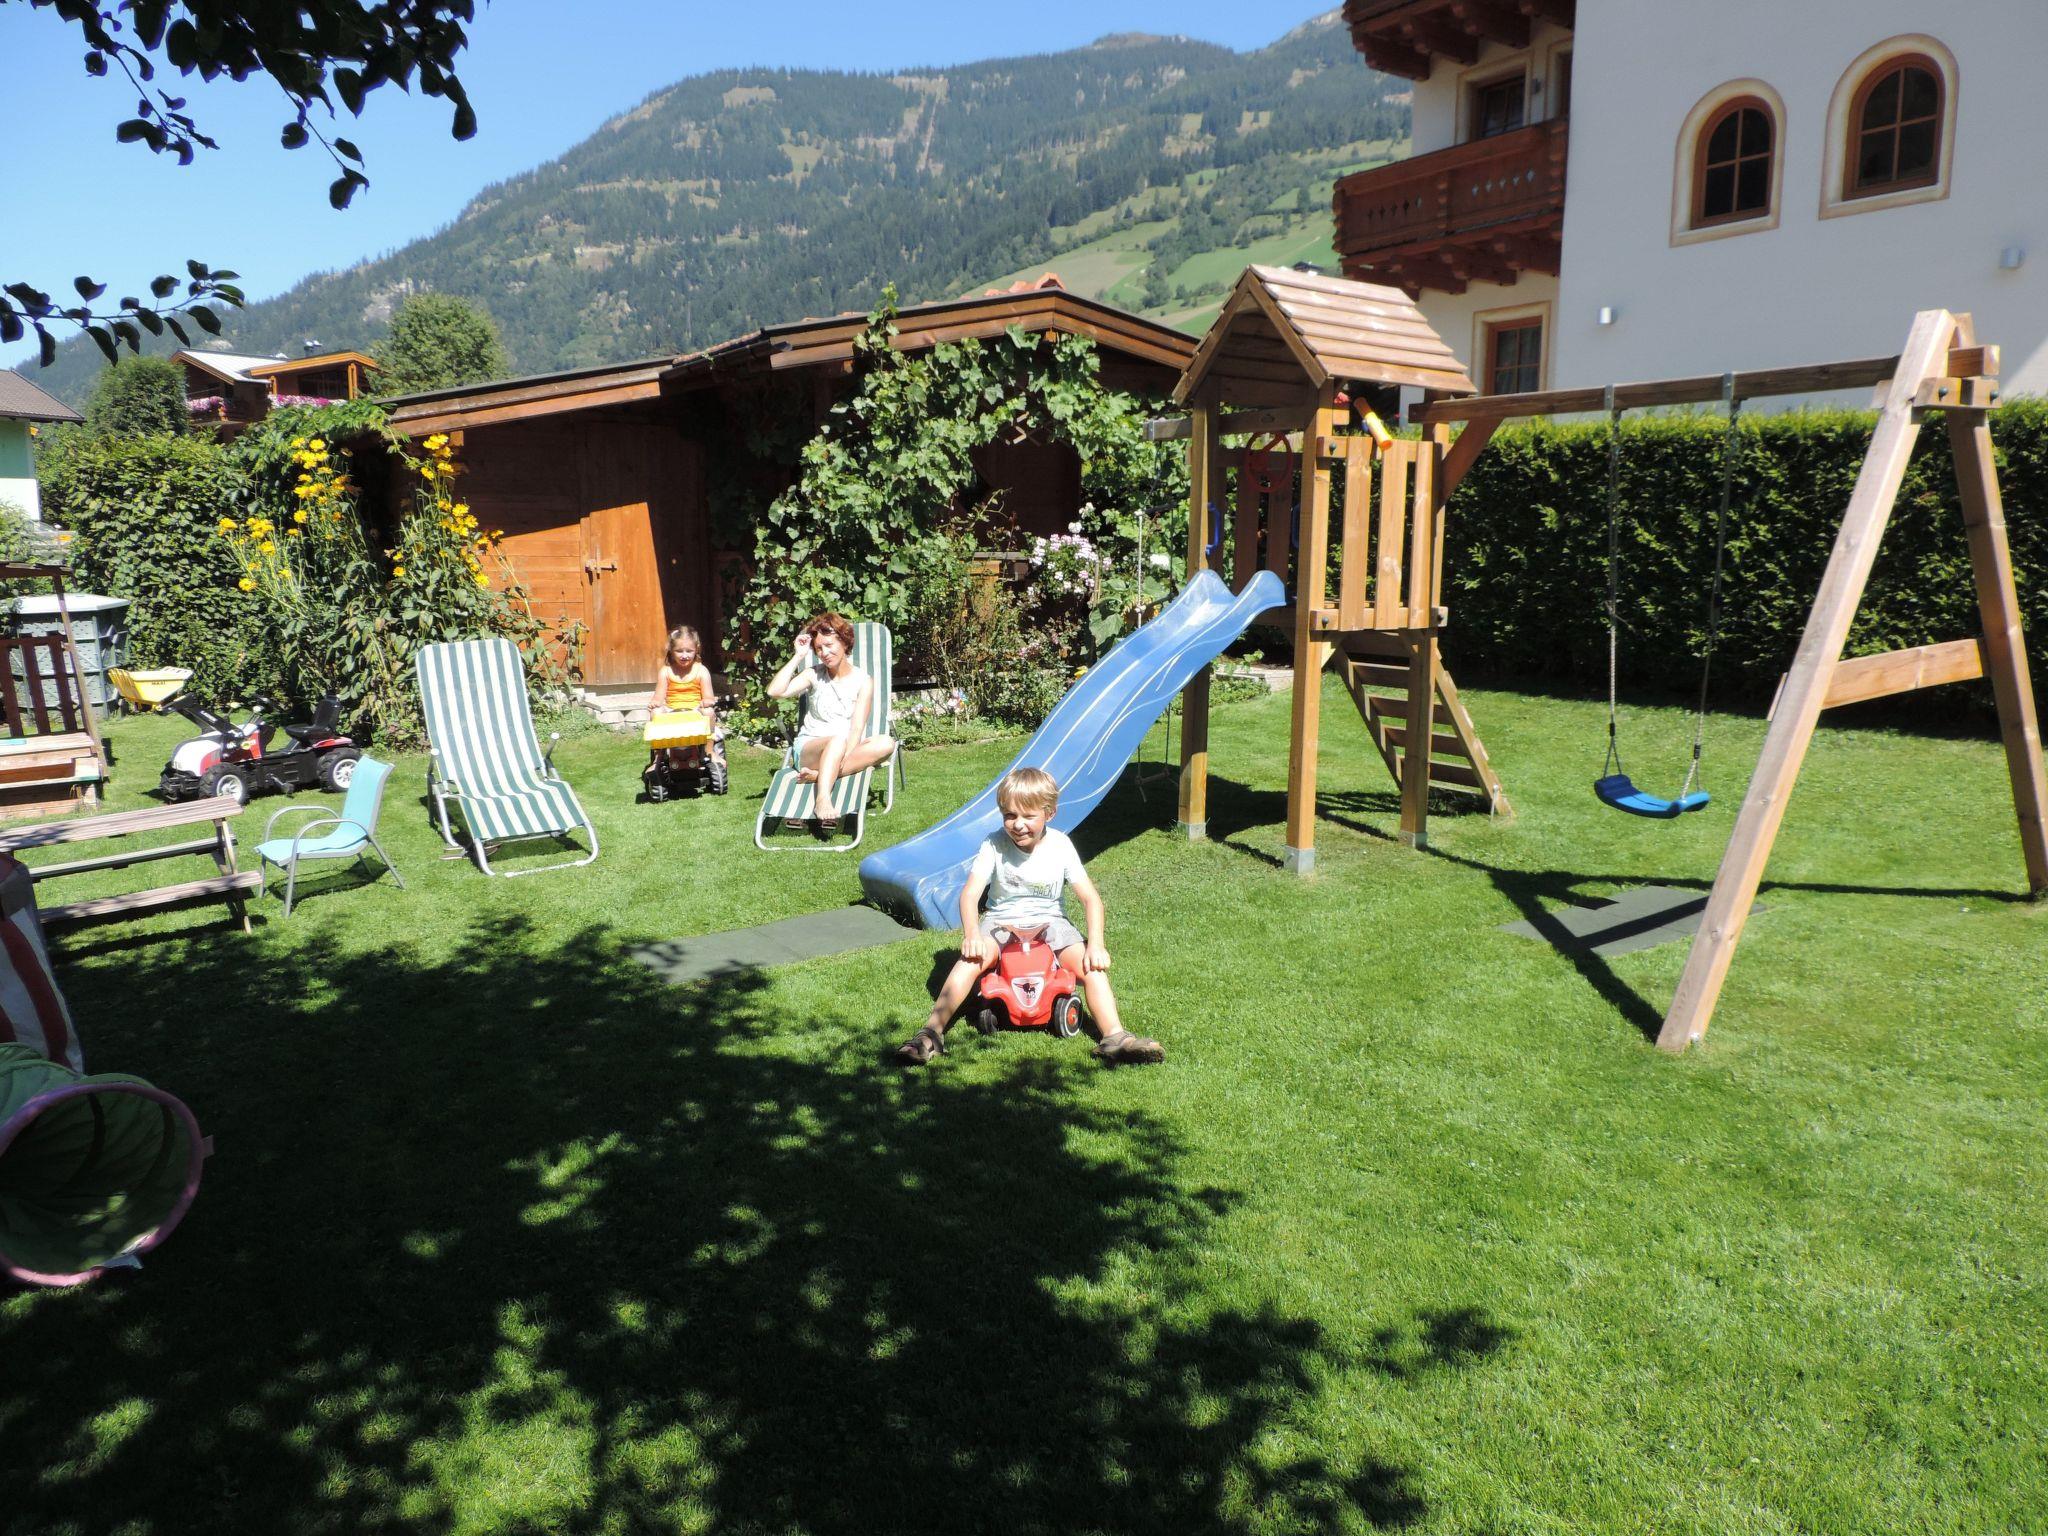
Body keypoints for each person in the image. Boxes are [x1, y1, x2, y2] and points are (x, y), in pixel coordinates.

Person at [895, 766, 1164, 1068]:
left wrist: (1096, 945)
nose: (1018, 824)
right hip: (1001, 922)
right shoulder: (994, 844)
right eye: (1010, 815)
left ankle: (1115, 1037)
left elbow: (1091, 899)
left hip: (1052, 923)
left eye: (1028, 816)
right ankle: (930, 1034)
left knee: (1092, 968)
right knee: (970, 961)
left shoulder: (1060, 845)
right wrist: (971, 935)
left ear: (1049, 813)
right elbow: (969, 895)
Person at [765, 612, 897, 831]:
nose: (824, 653)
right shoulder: (813, 674)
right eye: (818, 649)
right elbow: (774, 691)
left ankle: (820, 776)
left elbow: (857, 727)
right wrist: (798, 656)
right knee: (836, 741)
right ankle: (823, 799)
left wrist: (843, 755)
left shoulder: (863, 681)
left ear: (844, 642)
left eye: (829, 645)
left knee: (886, 743)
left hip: (844, 750)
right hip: (810, 750)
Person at [646, 626, 725, 774]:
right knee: (656, 713)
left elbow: (709, 697)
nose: (684, 655)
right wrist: (654, 703)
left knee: (709, 712)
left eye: (689, 651)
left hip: (695, 710)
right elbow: (658, 698)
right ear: (671, 650)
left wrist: (707, 701)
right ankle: (659, 757)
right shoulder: (666, 671)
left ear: (697, 649)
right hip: (671, 711)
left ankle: (709, 751)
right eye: (679, 651)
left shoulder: (701, 671)